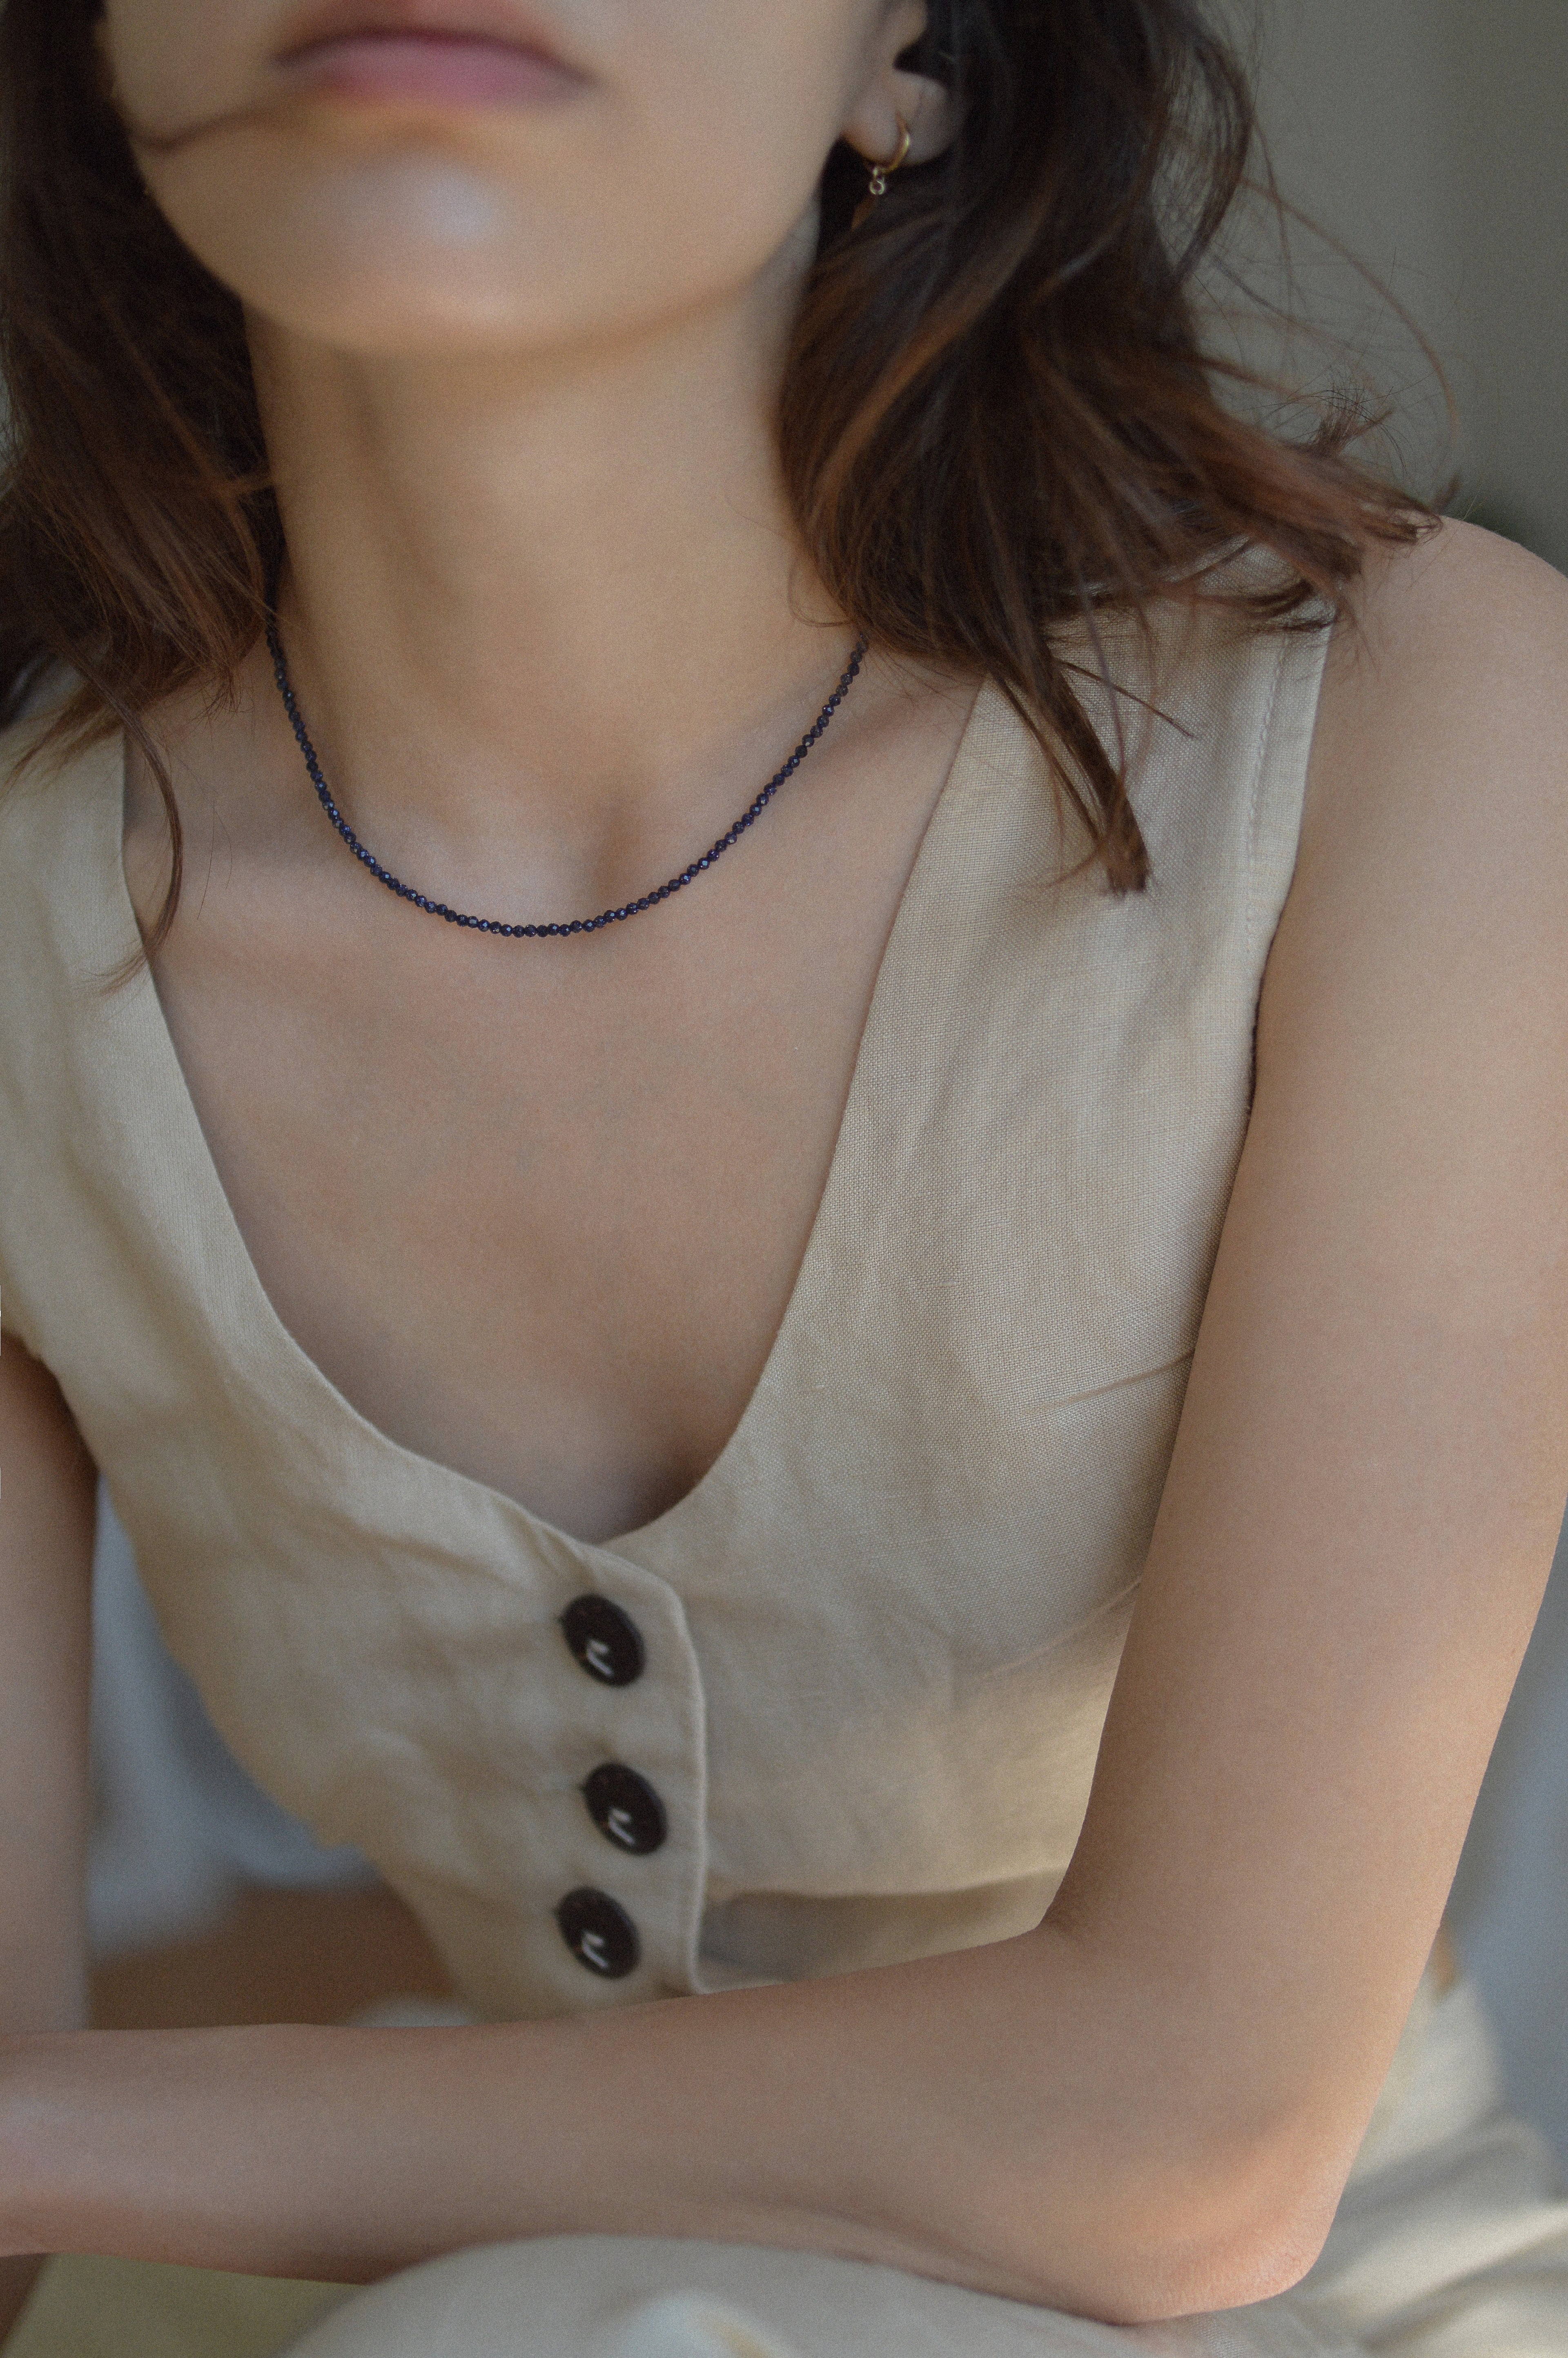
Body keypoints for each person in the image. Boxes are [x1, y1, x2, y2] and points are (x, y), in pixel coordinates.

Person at [0, 2, 1564, 2354]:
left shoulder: (1424, 718)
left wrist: (55, 2134)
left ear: (903, 65)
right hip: (391, 2279)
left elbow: (1196, 2144)